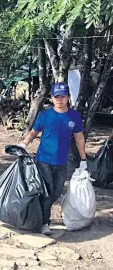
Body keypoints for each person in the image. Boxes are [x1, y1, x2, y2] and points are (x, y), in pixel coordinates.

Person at [18, 82, 87, 235]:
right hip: (44, 159)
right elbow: (34, 132)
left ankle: (38, 216)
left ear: (68, 98)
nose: (59, 100)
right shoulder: (46, 115)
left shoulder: (74, 117)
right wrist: (24, 144)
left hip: (61, 162)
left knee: (56, 192)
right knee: (47, 192)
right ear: (52, 98)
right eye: (56, 97)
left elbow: (79, 138)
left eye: (63, 97)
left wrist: (83, 159)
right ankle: (44, 223)